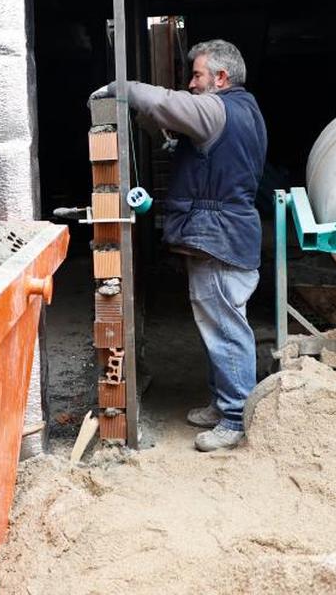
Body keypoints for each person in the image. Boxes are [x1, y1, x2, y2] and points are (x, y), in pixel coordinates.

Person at [91, 39, 267, 451]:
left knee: (226, 330)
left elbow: (165, 102)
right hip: (223, 235)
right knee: (219, 326)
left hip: (219, 239)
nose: (191, 83)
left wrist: (123, 88)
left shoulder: (217, 108)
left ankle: (236, 416)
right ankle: (224, 403)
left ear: (221, 78)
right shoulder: (245, 109)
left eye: (198, 75)